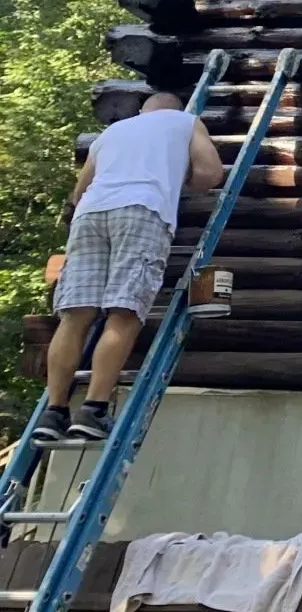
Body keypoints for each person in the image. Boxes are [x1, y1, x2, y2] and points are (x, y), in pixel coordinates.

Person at [31, 92, 224, 445]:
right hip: (141, 209)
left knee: (74, 317)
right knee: (124, 312)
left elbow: (78, 193)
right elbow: (211, 174)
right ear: (176, 109)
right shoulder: (185, 121)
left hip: (90, 216)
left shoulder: (111, 133)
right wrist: (174, 182)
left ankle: (54, 411)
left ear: (142, 110)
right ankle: (93, 410)